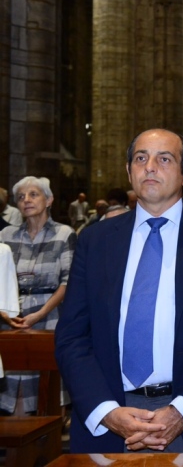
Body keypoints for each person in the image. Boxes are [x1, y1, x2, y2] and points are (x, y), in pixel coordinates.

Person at [55, 128, 183, 453]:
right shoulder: (95, 241)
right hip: (112, 415)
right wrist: (106, 411)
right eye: (140, 158)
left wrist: (182, 412)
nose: (150, 167)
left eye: (164, 159)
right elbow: (72, 336)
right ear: (129, 171)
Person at [0, 176, 77, 415]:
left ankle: (49, 432)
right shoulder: (6, 235)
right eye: (21, 197)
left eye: (33, 194)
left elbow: (68, 281)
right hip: (11, 316)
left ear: (49, 200)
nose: (26, 200)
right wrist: (4, 313)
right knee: (12, 384)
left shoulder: (64, 233)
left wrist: (40, 313)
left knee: (48, 385)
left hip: (50, 314)